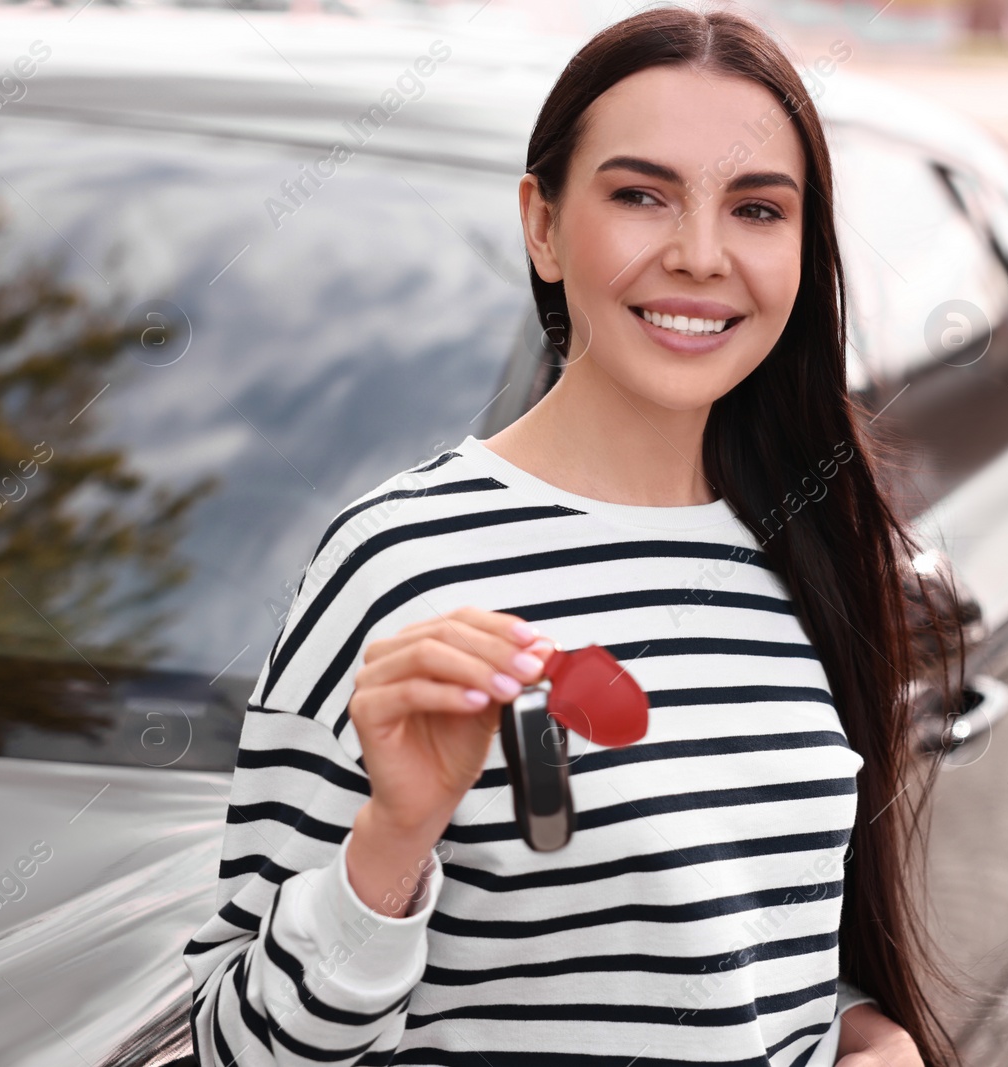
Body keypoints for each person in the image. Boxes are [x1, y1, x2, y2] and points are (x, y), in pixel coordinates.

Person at [183, 6, 966, 1065]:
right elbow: (238, 1046)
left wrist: (866, 1032)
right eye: (641, 195)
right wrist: (392, 841)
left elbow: (729, 968)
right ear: (542, 226)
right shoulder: (402, 562)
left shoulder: (804, 545)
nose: (699, 254)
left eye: (756, 208)